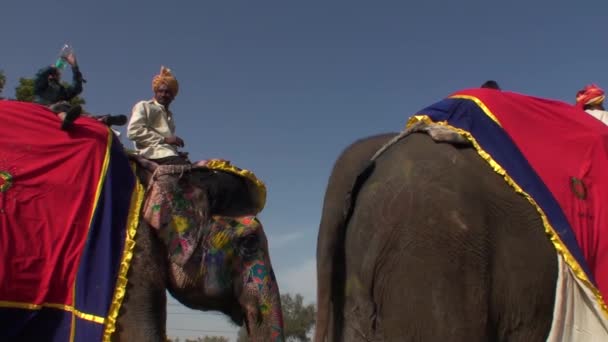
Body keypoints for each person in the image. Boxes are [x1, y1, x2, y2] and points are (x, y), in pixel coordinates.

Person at [33, 52, 127, 130]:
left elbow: (77, 88)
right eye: (52, 74)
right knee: (60, 106)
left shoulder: (63, 91)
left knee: (81, 114)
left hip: (65, 108)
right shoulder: (41, 86)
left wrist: (74, 66)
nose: (54, 75)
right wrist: (53, 68)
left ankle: (103, 119)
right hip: (47, 109)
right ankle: (66, 120)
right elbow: (40, 75)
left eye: (56, 74)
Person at [127, 66, 189, 165]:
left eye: (168, 92)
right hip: (151, 154)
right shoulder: (144, 106)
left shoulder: (170, 116)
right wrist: (165, 139)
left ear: (173, 96)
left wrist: (176, 152)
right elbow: (133, 132)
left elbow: (167, 143)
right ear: (155, 92)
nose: (163, 95)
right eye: (160, 91)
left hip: (167, 154)